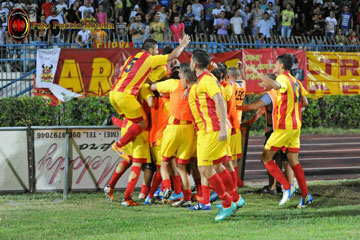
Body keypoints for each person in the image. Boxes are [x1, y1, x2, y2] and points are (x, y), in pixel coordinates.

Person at [109, 36, 190, 206]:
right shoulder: (153, 62)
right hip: (151, 126)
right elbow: (171, 57)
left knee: (138, 162)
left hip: (115, 94)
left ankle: (126, 190)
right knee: (154, 159)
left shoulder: (132, 59)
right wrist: (182, 45)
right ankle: (163, 192)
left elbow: (144, 80)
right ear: (152, 50)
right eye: (157, 49)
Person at [247, 54, 313, 208]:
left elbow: (276, 86)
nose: (274, 67)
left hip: (283, 127)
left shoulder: (282, 79)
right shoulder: (296, 82)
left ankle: (286, 187)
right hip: (295, 127)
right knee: (294, 162)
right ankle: (306, 195)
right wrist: (293, 112)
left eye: (275, 64)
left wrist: (257, 73)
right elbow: (305, 102)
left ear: (282, 66)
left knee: (266, 158)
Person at [188, 50, 241, 221]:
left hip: (213, 130)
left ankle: (227, 203)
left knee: (205, 168)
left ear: (195, 65)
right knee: (218, 165)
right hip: (210, 130)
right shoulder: (206, 79)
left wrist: (223, 130)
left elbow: (219, 100)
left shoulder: (206, 81)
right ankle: (234, 198)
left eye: (190, 61)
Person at [237, 73, 294, 195]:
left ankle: (274, 186)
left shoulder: (271, 95)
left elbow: (254, 106)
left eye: (264, 82)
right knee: (283, 159)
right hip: (287, 130)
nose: (262, 84)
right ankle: (283, 185)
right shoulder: (284, 93)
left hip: (274, 131)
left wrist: (235, 108)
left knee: (267, 159)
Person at [150, 64, 197, 207]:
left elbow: (152, 87)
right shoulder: (196, 88)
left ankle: (167, 187)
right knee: (182, 167)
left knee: (164, 162)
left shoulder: (173, 83)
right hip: (189, 129)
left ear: (181, 74)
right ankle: (187, 198)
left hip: (174, 128)